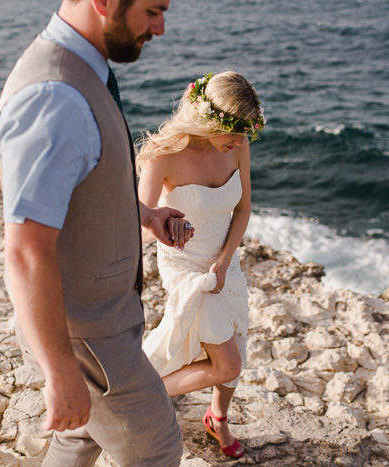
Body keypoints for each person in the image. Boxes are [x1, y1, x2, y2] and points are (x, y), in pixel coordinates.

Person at [0, 1, 192, 465]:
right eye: (152, 10)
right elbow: (24, 252)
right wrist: (61, 372)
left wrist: (144, 215)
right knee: (156, 451)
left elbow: (85, 180)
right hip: (87, 336)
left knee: (79, 438)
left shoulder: (83, 71)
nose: (160, 28)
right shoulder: (54, 95)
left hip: (101, 322)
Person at [137, 71, 265, 459]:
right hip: (185, 266)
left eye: (249, 132)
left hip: (226, 259)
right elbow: (139, 225)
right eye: (236, 131)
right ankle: (142, 396)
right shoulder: (164, 156)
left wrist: (226, 261)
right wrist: (162, 223)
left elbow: (243, 209)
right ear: (211, 119)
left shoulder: (237, 145)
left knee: (236, 338)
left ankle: (217, 417)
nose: (242, 141)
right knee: (228, 364)